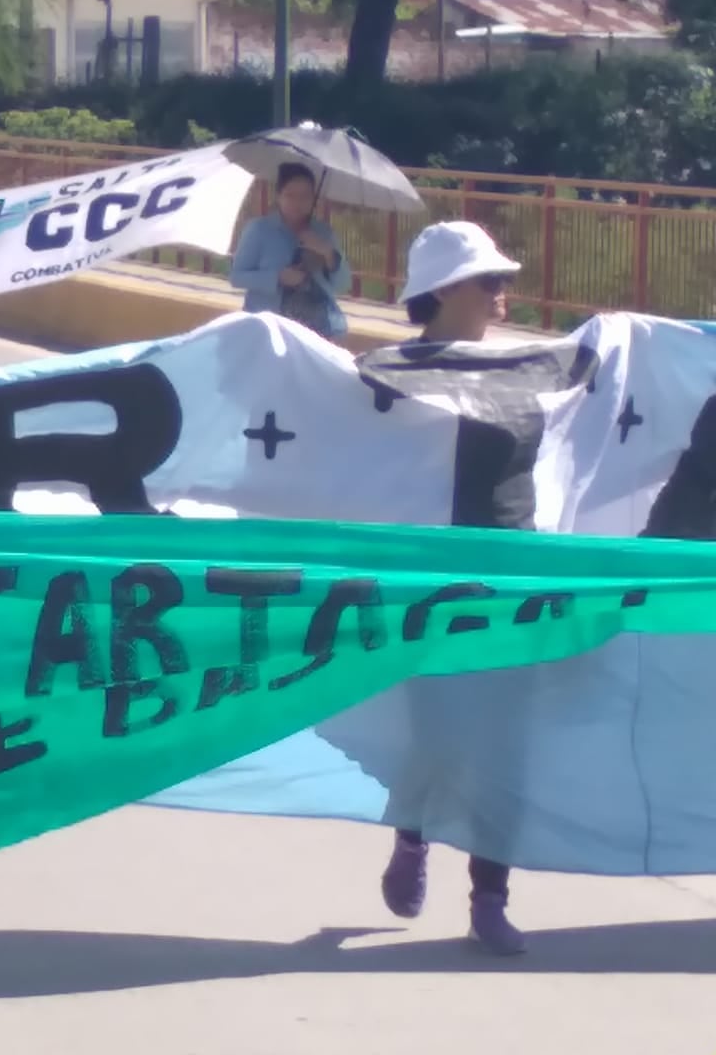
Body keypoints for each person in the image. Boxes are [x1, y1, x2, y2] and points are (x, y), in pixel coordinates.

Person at [374, 219, 529, 955]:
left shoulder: (534, 368)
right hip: (432, 591)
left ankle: (490, 901)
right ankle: (412, 837)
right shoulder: (386, 377)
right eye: (488, 280)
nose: (504, 293)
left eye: (504, 279)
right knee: (439, 739)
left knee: (508, 747)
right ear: (442, 292)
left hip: (516, 584)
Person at [228, 162, 351, 342]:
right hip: (268, 328)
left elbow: (343, 284)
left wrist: (327, 253)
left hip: (318, 330)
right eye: (290, 195)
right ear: (278, 196)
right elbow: (237, 276)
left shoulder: (323, 232)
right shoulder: (259, 229)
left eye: (305, 196)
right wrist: (277, 277)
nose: (297, 203)